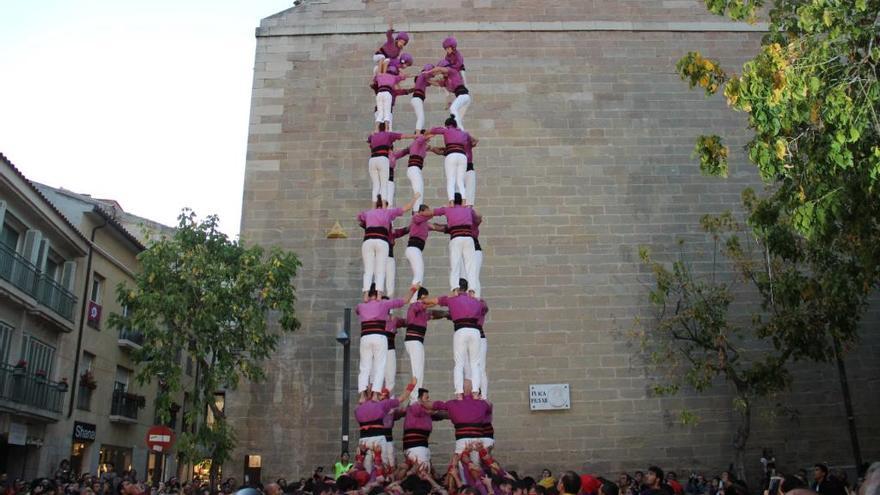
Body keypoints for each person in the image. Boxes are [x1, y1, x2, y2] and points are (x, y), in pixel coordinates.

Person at [424, 279, 487, 396]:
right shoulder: (476, 300)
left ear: (456, 288)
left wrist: (421, 300)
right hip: (475, 331)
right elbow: (484, 308)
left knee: (459, 363)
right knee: (475, 364)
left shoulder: (452, 299)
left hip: (461, 330)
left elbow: (431, 301)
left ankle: (459, 392)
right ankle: (475, 392)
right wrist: (475, 298)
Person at [357, 193, 419, 297]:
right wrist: (415, 198)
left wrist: (370, 215)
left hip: (368, 240)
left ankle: (366, 294)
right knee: (380, 271)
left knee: (368, 270)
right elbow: (406, 208)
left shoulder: (368, 213)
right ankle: (379, 294)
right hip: (381, 241)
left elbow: (359, 219)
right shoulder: (388, 213)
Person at [421, 193, 482, 296]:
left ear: (452, 201)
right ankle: (472, 289)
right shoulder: (468, 210)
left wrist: (419, 215)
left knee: (455, 264)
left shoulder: (448, 209)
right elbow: (478, 218)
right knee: (470, 266)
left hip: (456, 238)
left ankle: (454, 289)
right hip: (468, 238)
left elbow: (429, 213)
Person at [354, 377, 416, 473]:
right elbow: (401, 398)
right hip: (378, 439)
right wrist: (412, 385)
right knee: (384, 467)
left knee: (367, 470)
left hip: (364, 440)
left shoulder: (358, 408)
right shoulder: (382, 405)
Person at [355, 284, 406, 397]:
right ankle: (374, 394)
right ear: (378, 294)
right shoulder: (383, 306)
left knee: (368, 368)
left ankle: (369, 395)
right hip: (379, 341)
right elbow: (404, 301)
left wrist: (366, 299)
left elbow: (357, 310)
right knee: (377, 369)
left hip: (380, 344)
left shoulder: (393, 319)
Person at [432, 379, 492, 454]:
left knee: (475, 459)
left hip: (483, 437)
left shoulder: (483, 404)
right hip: (478, 438)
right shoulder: (479, 404)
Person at [367, 125, 419, 203]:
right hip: (384, 175)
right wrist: (416, 136)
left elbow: (403, 152)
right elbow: (403, 137)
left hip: (389, 178)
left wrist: (412, 146)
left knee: (387, 198)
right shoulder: (387, 151)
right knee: (382, 193)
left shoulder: (392, 155)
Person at [429, 118, 475, 202]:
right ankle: (464, 201)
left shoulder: (447, 130)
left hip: (452, 156)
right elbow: (474, 141)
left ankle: (451, 202)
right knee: (460, 181)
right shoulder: (464, 133)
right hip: (462, 157)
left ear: (447, 125)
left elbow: (433, 130)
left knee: (451, 180)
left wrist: (444, 128)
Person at [404, 286, 436, 389]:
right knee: (417, 370)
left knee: (419, 369)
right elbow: (426, 305)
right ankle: (414, 397)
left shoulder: (421, 311)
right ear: (421, 296)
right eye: (426, 297)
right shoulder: (415, 306)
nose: (427, 299)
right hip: (414, 341)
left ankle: (416, 394)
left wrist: (445, 314)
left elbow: (432, 314)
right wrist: (435, 302)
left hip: (416, 341)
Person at [401, 388, 441, 466]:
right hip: (416, 447)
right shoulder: (414, 407)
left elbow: (438, 415)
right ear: (419, 399)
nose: (428, 400)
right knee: (422, 473)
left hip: (420, 446)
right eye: (426, 398)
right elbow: (416, 407)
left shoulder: (424, 411)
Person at [430, 66, 471, 130]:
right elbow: (434, 83)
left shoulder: (452, 73)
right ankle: (462, 133)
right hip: (465, 98)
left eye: (443, 73)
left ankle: (458, 129)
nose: (443, 74)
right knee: (458, 119)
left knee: (453, 108)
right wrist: (426, 79)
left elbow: (440, 69)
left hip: (463, 95)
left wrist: (428, 72)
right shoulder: (446, 82)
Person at [410, 65, 435, 133]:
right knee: (421, 118)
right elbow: (429, 78)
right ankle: (417, 134)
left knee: (421, 119)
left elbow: (431, 82)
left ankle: (418, 133)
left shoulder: (423, 79)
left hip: (417, 99)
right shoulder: (423, 74)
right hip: (417, 98)